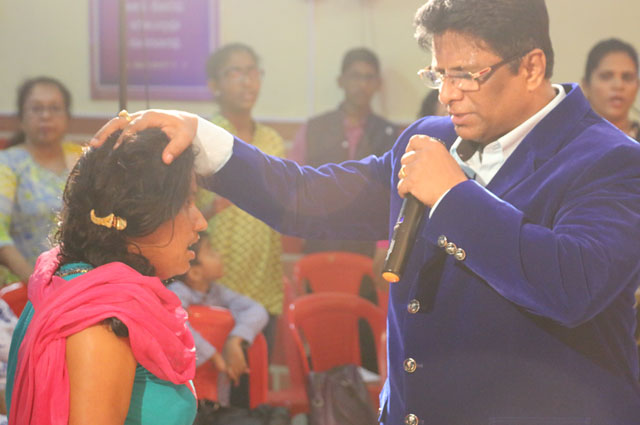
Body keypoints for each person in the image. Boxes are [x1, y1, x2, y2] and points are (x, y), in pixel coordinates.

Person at [92, 0, 640, 422]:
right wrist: (204, 140)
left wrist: (453, 198)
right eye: (437, 75)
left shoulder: (610, 161)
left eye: (465, 75)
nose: (447, 95)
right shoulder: (428, 139)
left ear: (531, 66)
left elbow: (574, 285)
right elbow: (309, 198)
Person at [6, 126, 207, 424]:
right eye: (186, 203)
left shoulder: (66, 282)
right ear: (139, 213)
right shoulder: (98, 322)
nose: (200, 222)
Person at [201, 43, 284, 352]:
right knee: (216, 393)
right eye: (235, 72)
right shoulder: (203, 136)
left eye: (252, 71)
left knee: (254, 391)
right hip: (214, 290)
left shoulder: (272, 141)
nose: (247, 80)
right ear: (214, 85)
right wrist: (211, 210)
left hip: (265, 285)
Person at [290, 47, 399, 257]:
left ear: (377, 84)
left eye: (369, 78)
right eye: (355, 77)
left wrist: (384, 246)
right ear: (341, 81)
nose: (362, 85)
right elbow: (294, 184)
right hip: (319, 240)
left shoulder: (389, 134)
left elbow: (393, 195)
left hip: (367, 244)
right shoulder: (314, 128)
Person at [168, 233, 268, 406]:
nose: (219, 255)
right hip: (180, 391)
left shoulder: (217, 292)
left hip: (215, 391)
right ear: (196, 273)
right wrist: (214, 356)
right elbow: (175, 321)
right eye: (211, 252)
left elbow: (257, 310)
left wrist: (234, 340)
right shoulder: (176, 291)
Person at [0, 77, 82, 285]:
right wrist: (39, 284)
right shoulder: (8, 164)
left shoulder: (82, 159)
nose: (46, 116)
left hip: (79, 283)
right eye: (36, 109)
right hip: (24, 288)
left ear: (67, 116)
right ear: (21, 118)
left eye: (54, 108)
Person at [582, 38, 639, 141]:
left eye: (627, 77)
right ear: (586, 85)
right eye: (606, 76)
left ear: (637, 85)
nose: (618, 86)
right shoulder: (568, 140)